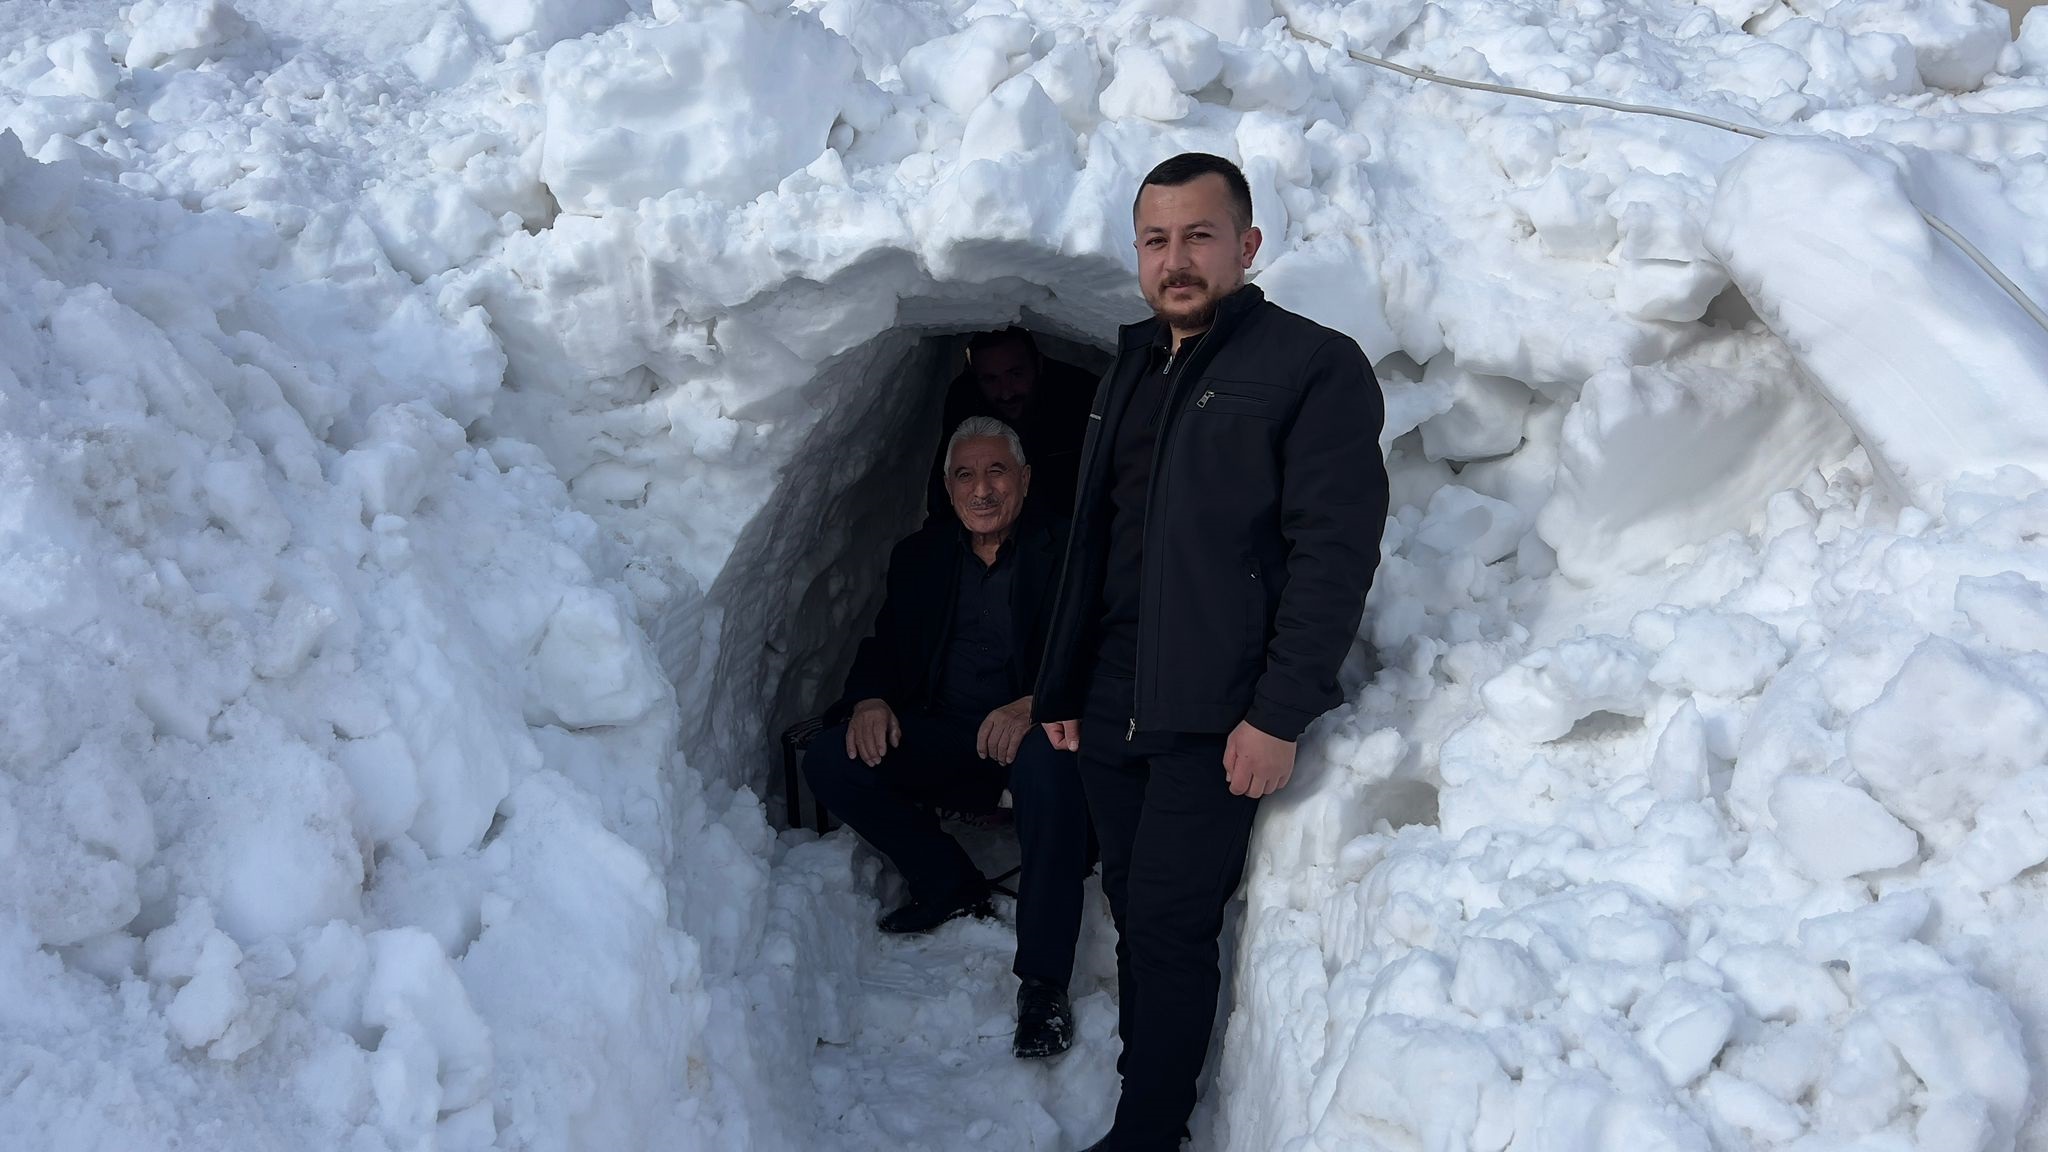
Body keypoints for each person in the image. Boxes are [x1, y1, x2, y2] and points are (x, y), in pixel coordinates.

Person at [1032, 154, 1389, 1149]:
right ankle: (1140, 1102)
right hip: (1110, 698)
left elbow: (1332, 552)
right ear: (1136, 254)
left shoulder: (1310, 367)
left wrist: (1276, 712)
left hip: (1209, 709)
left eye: (1197, 236)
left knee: (1169, 927)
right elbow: (1095, 540)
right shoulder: (1130, 364)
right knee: (1136, 911)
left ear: (1245, 245)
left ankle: (1147, 1129)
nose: (1175, 258)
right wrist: (1060, 682)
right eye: (1156, 239)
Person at [806, 417, 1093, 1059]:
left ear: (1024, 478)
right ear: (947, 487)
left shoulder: (1070, 549)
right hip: (945, 735)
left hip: (1033, 738)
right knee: (834, 758)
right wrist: (871, 699)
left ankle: (1043, 984)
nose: (982, 490)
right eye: (966, 475)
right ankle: (948, 882)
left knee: (1051, 766)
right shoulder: (921, 557)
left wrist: (1037, 704)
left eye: (997, 471)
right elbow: (883, 645)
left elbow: (1104, 651)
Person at [925, 328, 1095, 521]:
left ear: (1038, 365)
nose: (1006, 392)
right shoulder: (966, 400)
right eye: (990, 379)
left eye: (1015, 374)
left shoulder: (1081, 395)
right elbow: (944, 486)